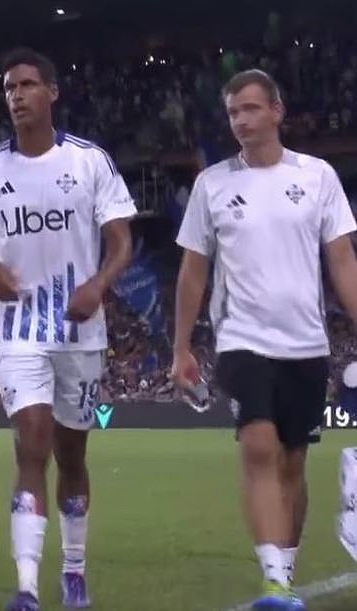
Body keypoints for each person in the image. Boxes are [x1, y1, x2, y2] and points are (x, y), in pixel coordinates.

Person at [0, 48, 135, 611]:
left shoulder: (88, 162)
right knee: (30, 447)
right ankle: (28, 586)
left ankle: (74, 570)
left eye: (28, 85)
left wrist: (98, 285)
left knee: (72, 457)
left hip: (81, 331)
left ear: (52, 92)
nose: (17, 96)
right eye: (9, 88)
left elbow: (122, 240)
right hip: (17, 332)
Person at [172, 69, 357, 611]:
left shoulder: (318, 177)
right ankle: (274, 583)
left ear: (277, 111)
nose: (242, 121)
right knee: (258, 447)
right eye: (233, 112)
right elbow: (192, 271)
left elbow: (342, 259)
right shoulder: (213, 185)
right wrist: (182, 346)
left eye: (251, 109)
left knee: (293, 463)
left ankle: (286, 574)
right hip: (242, 339)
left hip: (306, 343)